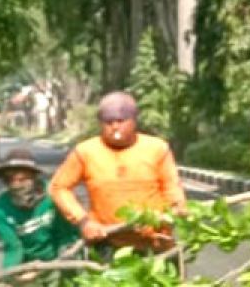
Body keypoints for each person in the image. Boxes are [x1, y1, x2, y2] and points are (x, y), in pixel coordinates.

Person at [49, 92, 187, 257]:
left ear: (134, 121)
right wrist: (84, 221)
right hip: (107, 243)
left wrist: (177, 208)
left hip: (155, 242)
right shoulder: (86, 152)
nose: (115, 127)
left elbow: (171, 186)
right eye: (108, 122)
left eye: (121, 121)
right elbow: (59, 187)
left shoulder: (157, 148)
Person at [0, 148, 80, 276]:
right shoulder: (0, 207)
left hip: (59, 258)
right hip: (27, 265)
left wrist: (59, 265)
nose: (16, 185)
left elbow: (66, 236)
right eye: (10, 180)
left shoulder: (54, 195)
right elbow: (13, 246)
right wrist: (10, 275)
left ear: (34, 177)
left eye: (22, 179)